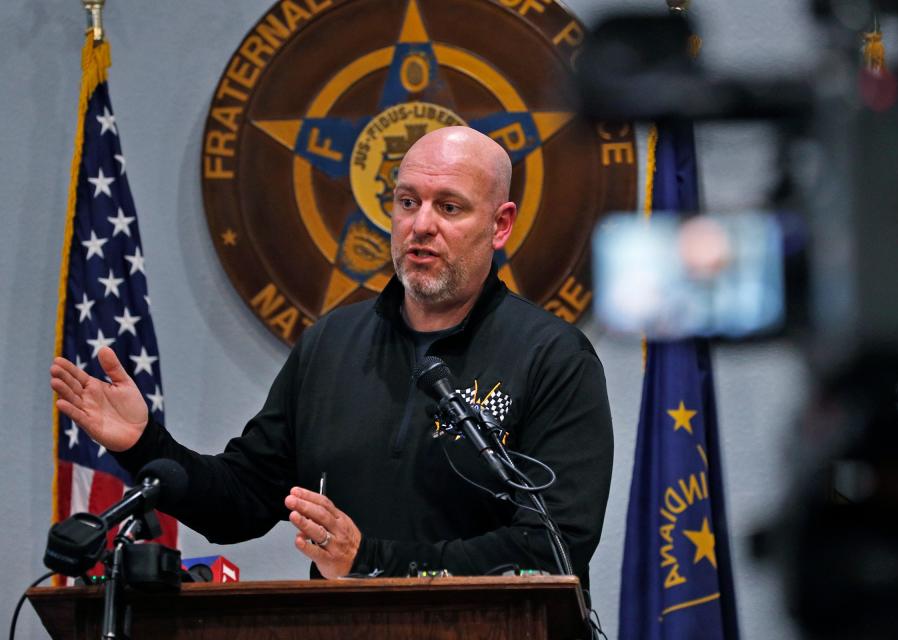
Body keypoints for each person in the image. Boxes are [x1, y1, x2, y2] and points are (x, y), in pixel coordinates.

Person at [50, 126, 614, 586]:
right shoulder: (333, 343)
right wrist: (146, 442)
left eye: (450, 207)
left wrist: (372, 560)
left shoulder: (553, 357)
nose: (421, 226)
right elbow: (243, 500)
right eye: (407, 202)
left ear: (500, 225)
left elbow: (552, 546)